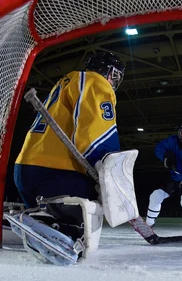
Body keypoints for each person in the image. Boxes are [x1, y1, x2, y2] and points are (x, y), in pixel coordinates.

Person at [14, 51, 125, 209]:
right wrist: (106, 166)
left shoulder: (65, 82)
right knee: (73, 229)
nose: (113, 82)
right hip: (58, 171)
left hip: (25, 168)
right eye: (114, 76)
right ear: (106, 70)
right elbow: (95, 129)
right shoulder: (94, 81)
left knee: (41, 226)